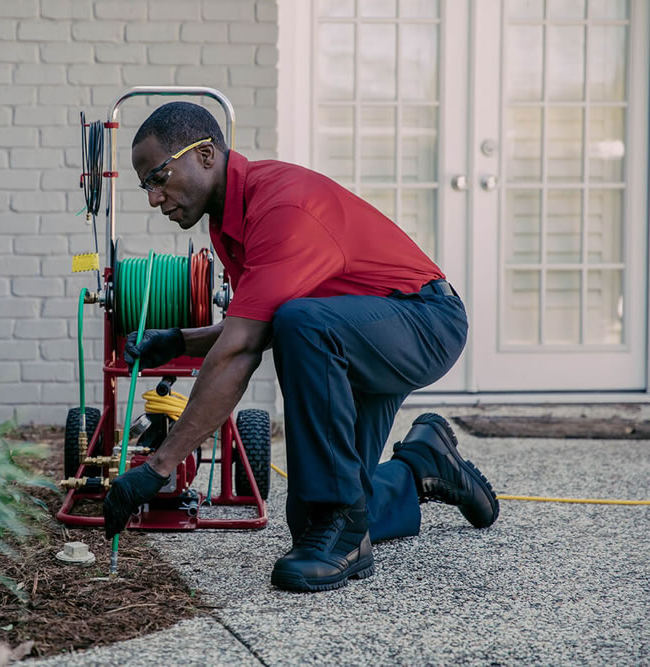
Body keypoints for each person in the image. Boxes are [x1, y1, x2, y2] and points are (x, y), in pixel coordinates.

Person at [102, 101, 500, 592]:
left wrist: (159, 467)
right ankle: (424, 464)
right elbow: (254, 323)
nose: (153, 197)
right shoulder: (228, 221)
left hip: (423, 321)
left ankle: (347, 535)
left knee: (303, 328)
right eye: (146, 184)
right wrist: (181, 341)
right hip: (359, 337)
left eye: (158, 177)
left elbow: (243, 348)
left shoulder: (281, 206)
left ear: (204, 154)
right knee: (312, 521)